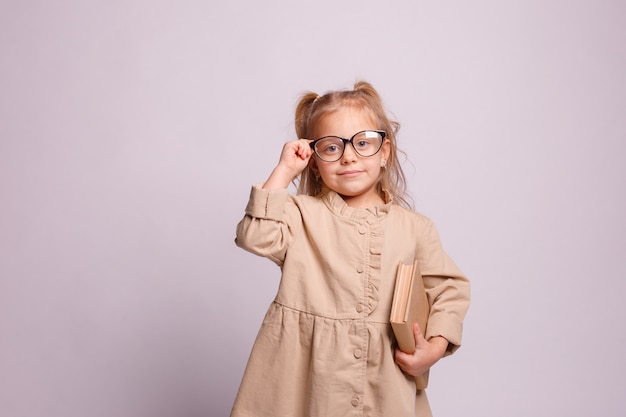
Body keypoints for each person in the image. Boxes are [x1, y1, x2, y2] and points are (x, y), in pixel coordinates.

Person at [230, 81, 470, 417]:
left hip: (385, 386)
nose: (349, 157)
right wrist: (283, 172)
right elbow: (254, 235)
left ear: (384, 152)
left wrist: (435, 348)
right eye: (331, 148)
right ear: (314, 161)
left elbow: (449, 291)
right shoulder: (301, 215)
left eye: (363, 143)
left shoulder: (416, 228)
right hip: (306, 384)